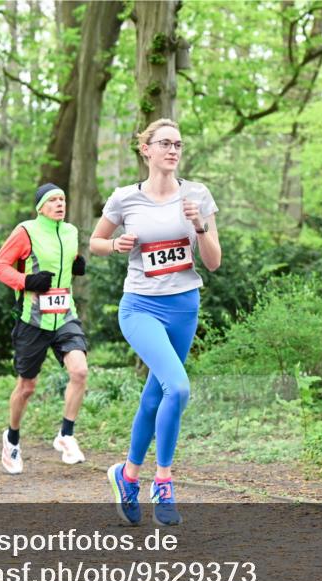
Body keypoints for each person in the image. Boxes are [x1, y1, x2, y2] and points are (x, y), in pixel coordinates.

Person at [90, 119, 221, 526]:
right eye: (164, 143)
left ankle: (127, 475)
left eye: (178, 144)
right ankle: (162, 480)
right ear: (145, 149)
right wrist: (115, 244)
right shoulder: (125, 198)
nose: (173, 150)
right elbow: (95, 242)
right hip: (141, 307)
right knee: (178, 386)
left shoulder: (197, 195)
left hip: (184, 305)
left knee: (157, 393)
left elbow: (214, 262)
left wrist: (198, 225)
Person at [0, 183, 89, 473]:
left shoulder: (70, 231)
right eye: (53, 200)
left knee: (80, 371)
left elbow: (68, 260)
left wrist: (75, 265)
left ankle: (66, 435)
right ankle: (11, 440)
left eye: (63, 199)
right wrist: (27, 281)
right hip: (32, 319)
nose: (60, 204)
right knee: (27, 387)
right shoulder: (26, 231)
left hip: (65, 316)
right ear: (41, 207)